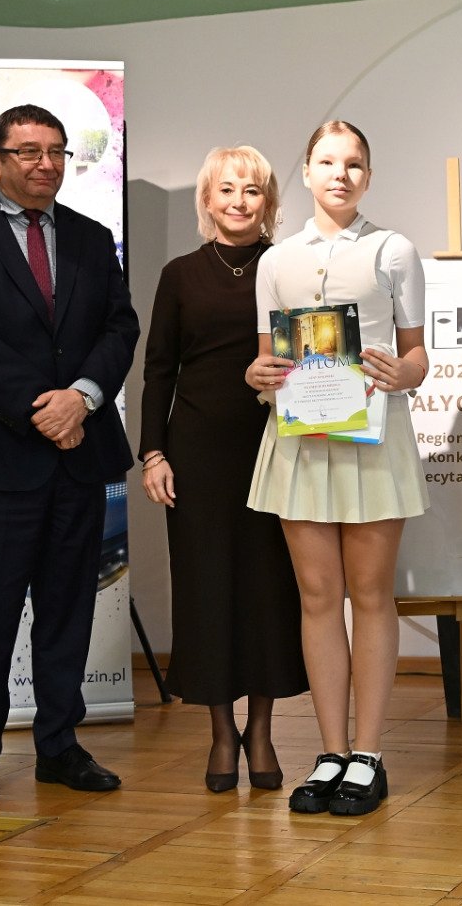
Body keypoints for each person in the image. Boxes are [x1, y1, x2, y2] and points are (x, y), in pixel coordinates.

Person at [0, 104, 139, 815]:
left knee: (67, 615)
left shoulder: (91, 237)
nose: (45, 164)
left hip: (79, 456)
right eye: (28, 151)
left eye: (56, 151)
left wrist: (82, 397)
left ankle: (60, 747)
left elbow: (119, 326)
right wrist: (43, 408)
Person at [243, 120, 428, 817]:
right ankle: (330, 752)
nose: (340, 175)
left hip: (373, 439)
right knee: (317, 598)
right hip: (301, 440)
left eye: (353, 164)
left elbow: (417, 354)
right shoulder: (276, 260)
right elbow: (267, 359)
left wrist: (403, 372)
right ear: (307, 172)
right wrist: (258, 374)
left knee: (372, 595)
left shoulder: (393, 250)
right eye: (327, 162)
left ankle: (369, 755)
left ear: (368, 176)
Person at [139, 146, 308, 793]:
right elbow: (159, 370)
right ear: (207, 201)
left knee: (270, 588)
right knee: (205, 589)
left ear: (269, 203)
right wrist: (154, 453)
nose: (240, 201)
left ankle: (261, 730)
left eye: (252, 190)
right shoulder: (180, 274)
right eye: (228, 190)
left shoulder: (288, 269)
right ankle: (219, 731)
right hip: (198, 454)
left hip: (278, 448)